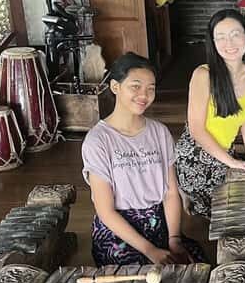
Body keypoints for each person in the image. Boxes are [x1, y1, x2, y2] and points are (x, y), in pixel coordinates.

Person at [82, 53, 204, 266]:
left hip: (158, 223)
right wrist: (150, 250)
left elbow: (171, 192)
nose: (144, 95)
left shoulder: (159, 132)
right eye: (135, 86)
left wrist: (174, 239)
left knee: (196, 264)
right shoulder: (97, 141)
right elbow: (105, 211)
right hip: (118, 230)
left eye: (151, 88)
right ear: (115, 87)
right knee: (140, 276)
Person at [174, 9, 245, 217]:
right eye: (221, 37)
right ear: (213, 42)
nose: (229, 43)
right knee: (232, 214)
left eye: (235, 34)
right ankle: (184, 188)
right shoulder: (203, 75)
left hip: (227, 155)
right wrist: (233, 163)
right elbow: (197, 129)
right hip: (195, 157)